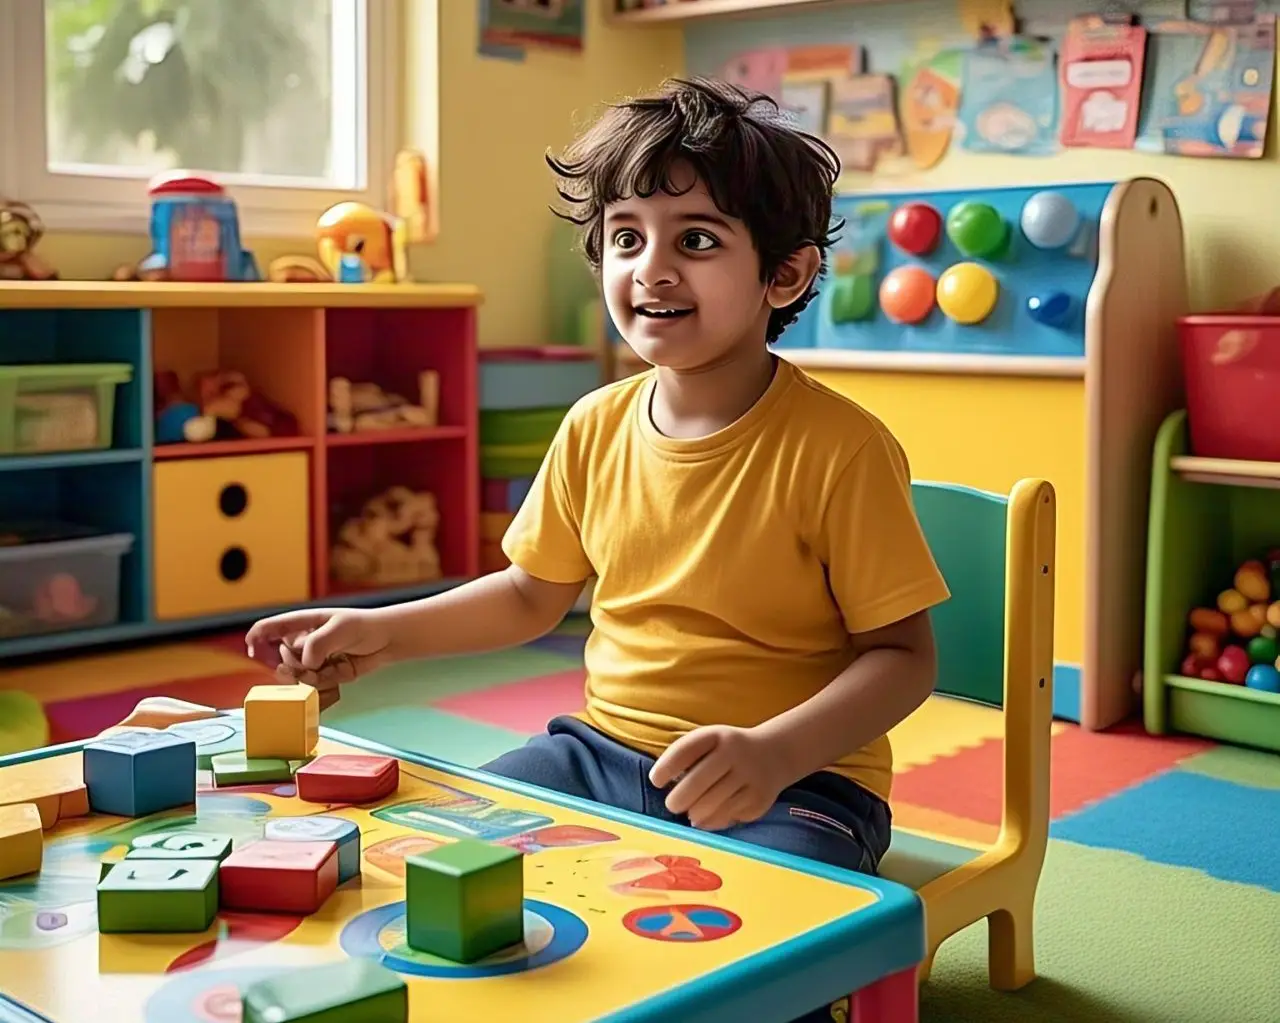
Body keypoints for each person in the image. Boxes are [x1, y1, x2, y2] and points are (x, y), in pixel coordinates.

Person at [246, 76, 949, 1022]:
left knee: (765, 946)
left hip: (800, 784)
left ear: (782, 276)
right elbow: (529, 594)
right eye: (627, 237)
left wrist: (776, 753)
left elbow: (904, 657)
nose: (651, 268)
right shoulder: (593, 425)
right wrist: (383, 632)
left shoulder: (842, 449)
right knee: (433, 861)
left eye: (696, 240)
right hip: (597, 757)